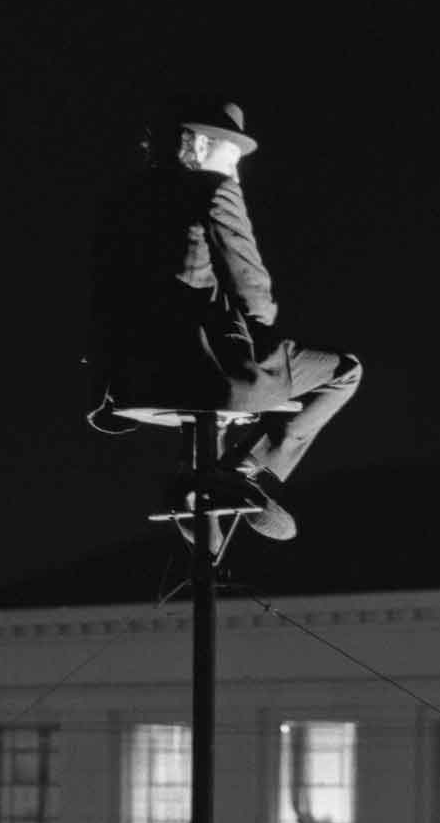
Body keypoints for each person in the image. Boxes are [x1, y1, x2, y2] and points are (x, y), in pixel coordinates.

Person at [85, 94, 363, 541]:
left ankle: (196, 488)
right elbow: (253, 292)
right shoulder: (213, 189)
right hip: (208, 373)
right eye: (229, 150)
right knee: (345, 372)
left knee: (211, 377)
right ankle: (249, 466)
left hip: (135, 376)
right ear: (198, 146)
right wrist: (263, 334)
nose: (236, 162)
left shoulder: (123, 201)